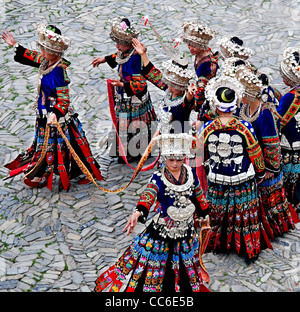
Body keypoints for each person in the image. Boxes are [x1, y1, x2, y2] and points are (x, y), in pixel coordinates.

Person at [95, 130, 211, 292]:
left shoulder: (190, 174)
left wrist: (205, 214)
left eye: (179, 159)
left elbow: (198, 195)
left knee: (185, 268)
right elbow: (148, 195)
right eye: (171, 159)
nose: (175, 163)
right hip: (163, 233)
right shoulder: (159, 178)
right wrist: (138, 211)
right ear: (165, 158)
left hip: (186, 230)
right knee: (159, 269)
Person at [1, 25, 103, 191]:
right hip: (44, 113)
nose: (41, 51)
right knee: (45, 145)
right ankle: (43, 171)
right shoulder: (46, 61)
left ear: (55, 52)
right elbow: (31, 56)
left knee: (68, 145)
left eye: (44, 48)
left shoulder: (58, 71)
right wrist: (15, 45)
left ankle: (86, 171)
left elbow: (64, 99)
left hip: (57, 116)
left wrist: (55, 114)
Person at [198, 75, 272, 262]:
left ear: (216, 105)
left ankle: (219, 242)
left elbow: (199, 153)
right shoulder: (244, 127)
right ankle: (247, 246)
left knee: (219, 211)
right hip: (242, 178)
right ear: (235, 103)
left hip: (217, 177)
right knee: (243, 212)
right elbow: (255, 152)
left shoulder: (207, 128)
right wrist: (261, 172)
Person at [237, 67, 299, 240]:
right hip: (250, 162)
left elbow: (272, 144)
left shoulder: (265, 114)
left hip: (265, 164)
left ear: (249, 95)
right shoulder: (243, 109)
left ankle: (273, 227)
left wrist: (270, 168)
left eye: (241, 94)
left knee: (268, 199)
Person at [92, 17, 156, 163]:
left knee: (134, 123)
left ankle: (136, 150)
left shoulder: (135, 58)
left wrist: (122, 85)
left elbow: (140, 83)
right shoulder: (125, 53)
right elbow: (119, 57)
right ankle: (125, 148)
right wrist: (105, 59)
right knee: (124, 122)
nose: (117, 46)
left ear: (128, 44)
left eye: (120, 43)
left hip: (134, 98)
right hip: (125, 96)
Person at [132, 38, 195, 134]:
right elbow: (154, 74)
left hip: (179, 139)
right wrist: (143, 54)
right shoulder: (169, 90)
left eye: (175, 86)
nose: (170, 88)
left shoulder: (183, 102)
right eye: (170, 84)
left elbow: (188, 99)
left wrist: (190, 93)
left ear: (182, 87)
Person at [277, 47, 300, 213]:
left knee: (291, 176)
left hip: (290, 143)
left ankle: (293, 203)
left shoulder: (290, 97)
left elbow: (278, 121)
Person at [182, 21, 219, 120]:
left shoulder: (205, 66)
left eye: (193, 45)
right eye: (189, 44)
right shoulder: (202, 53)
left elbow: (201, 91)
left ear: (201, 46)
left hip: (206, 97)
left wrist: (191, 101)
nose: (190, 47)